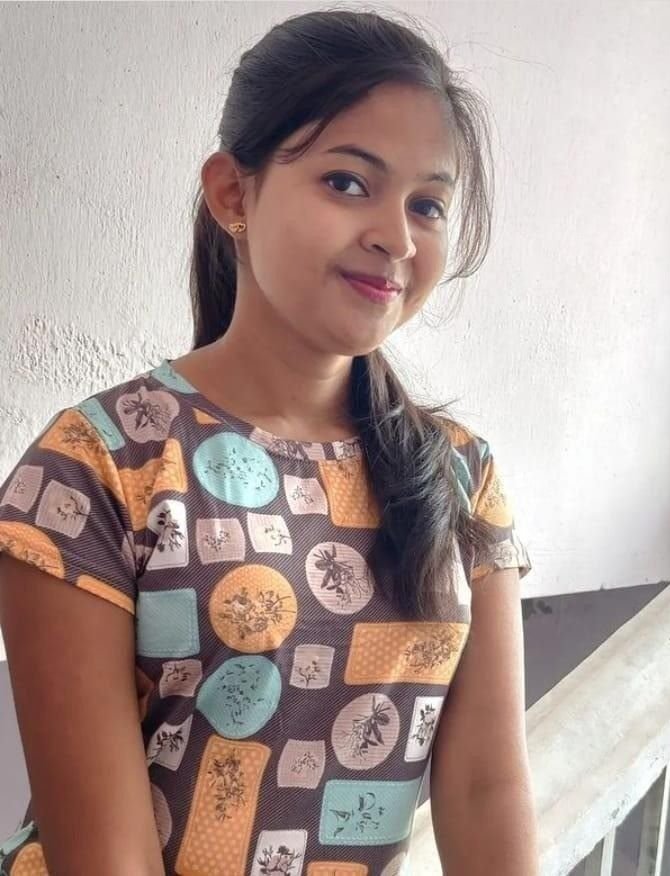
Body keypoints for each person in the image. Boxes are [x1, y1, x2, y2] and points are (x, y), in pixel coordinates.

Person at [0, 8, 538, 875]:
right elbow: (104, 857)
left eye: (427, 204)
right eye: (347, 182)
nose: (396, 237)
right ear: (232, 194)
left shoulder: (459, 475)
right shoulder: (95, 468)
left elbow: (484, 791)